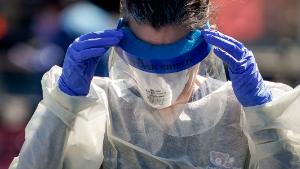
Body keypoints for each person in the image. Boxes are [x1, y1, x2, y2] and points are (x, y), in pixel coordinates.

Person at [9, 0, 300, 169]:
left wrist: (265, 118)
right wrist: (63, 106)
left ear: (202, 49)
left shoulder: (239, 113)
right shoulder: (100, 108)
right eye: (147, 63)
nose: (161, 82)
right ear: (125, 48)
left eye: (174, 67)